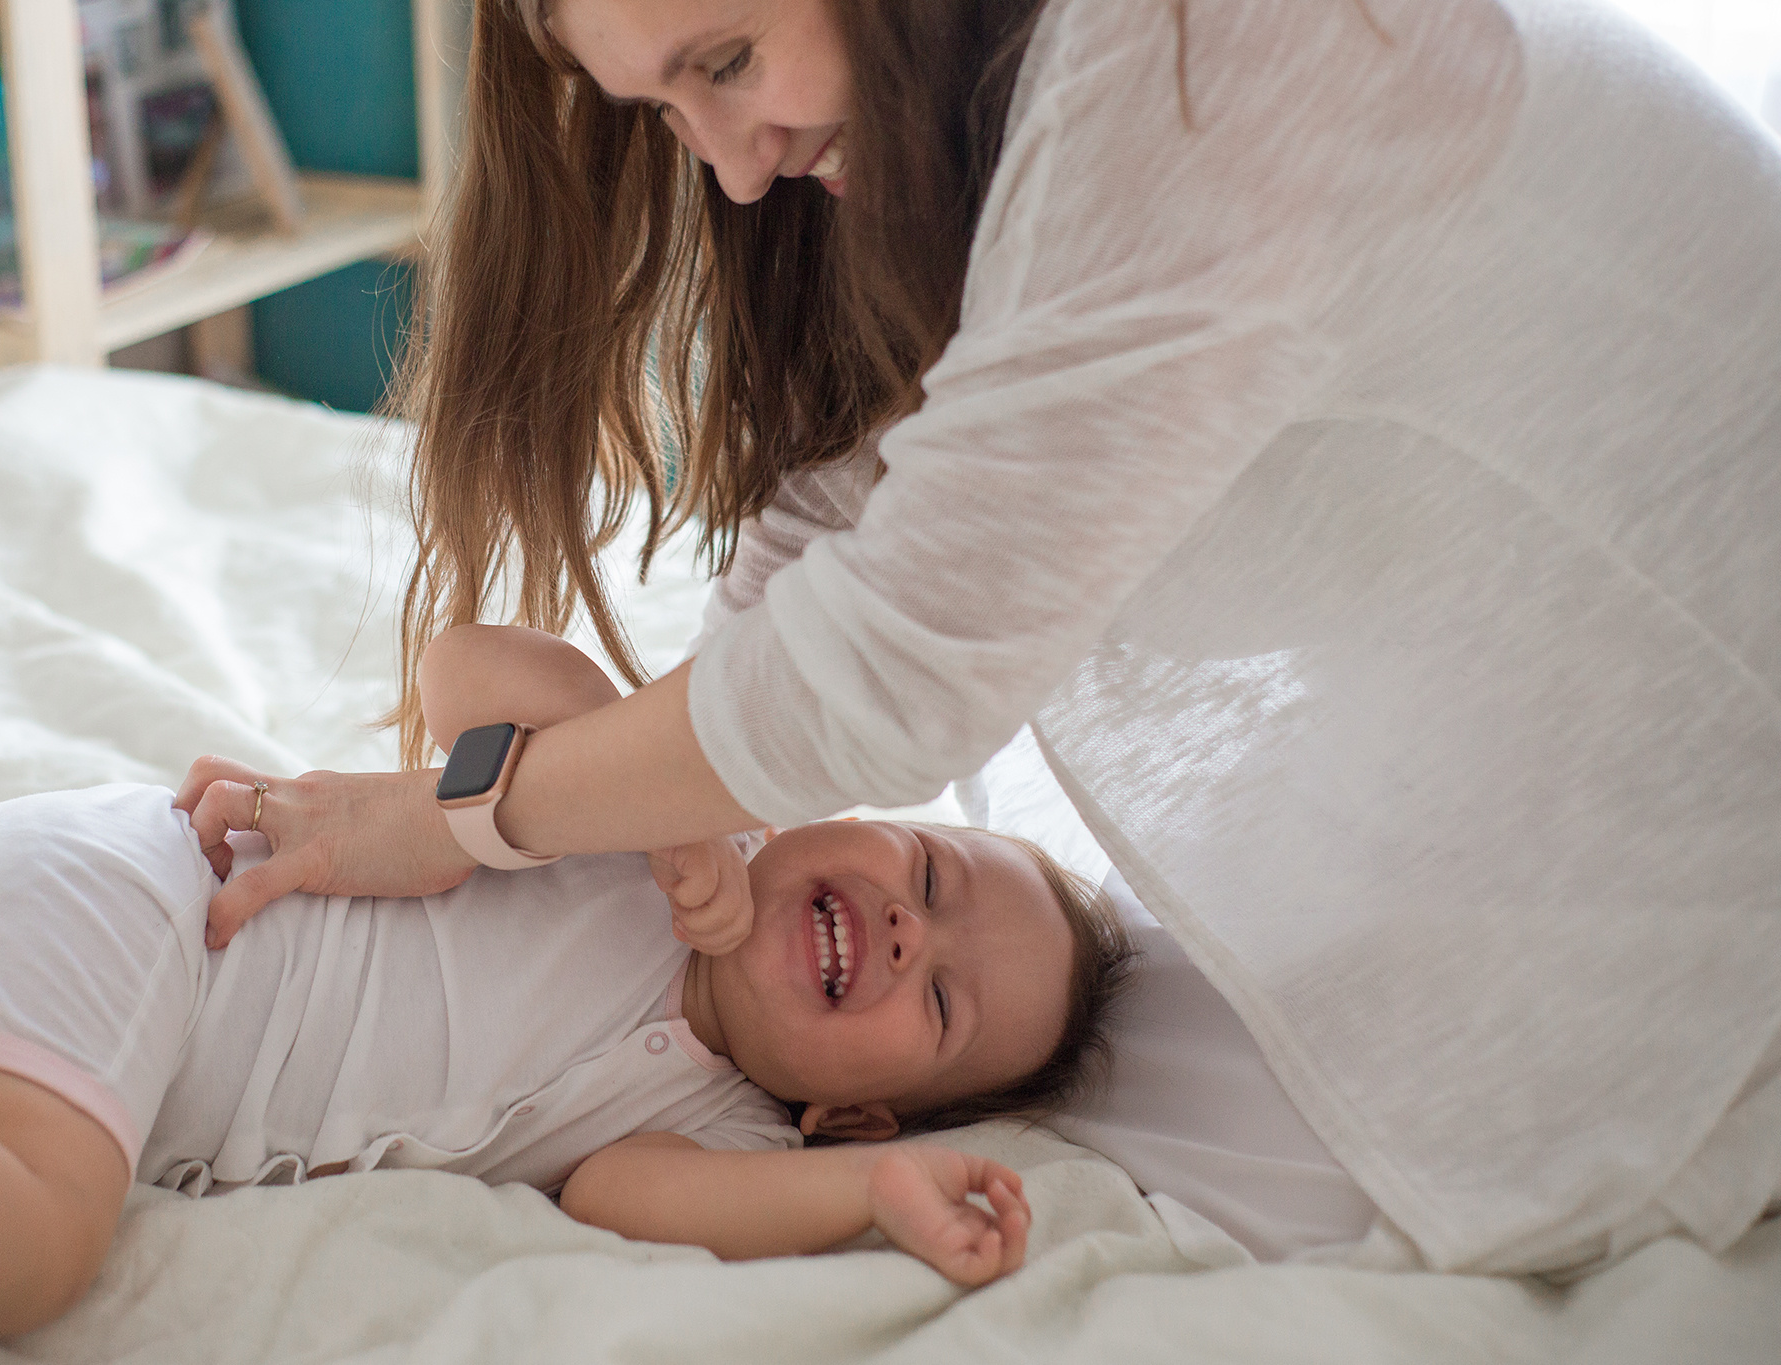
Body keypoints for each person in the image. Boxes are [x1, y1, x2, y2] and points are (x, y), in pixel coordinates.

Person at [177, 0, 1781, 1278]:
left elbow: (881, 674)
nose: (728, 170)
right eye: (667, 110)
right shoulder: (1044, 102)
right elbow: (851, 542)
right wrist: (676, 782)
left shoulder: (1200, 53)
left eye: (727, 62)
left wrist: (469, 808)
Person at [0, 625, 1134, 1341]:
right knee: (34, 1241)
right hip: (158, 908)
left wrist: (869, 1202)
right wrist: (654, 797)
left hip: (9, 981)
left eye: (939, 1003)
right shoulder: (640, 812)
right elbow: (466, 666)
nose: (905, 935)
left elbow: (623, 1200)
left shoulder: (728, 1127)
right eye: (932, 879)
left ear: (864, 1117)